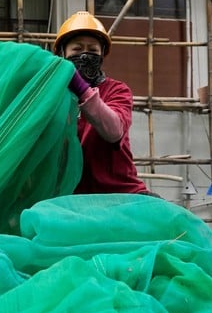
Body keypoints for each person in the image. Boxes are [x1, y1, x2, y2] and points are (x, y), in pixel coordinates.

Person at [53, 10, 152, 195]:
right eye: (77, 49)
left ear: (102, 55)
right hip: (68, 197)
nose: (84, 55)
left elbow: (114, 132)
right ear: (62, 53)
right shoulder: (53, 96)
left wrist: (83, 91)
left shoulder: (117, 90)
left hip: (119, 194)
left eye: (92, 50)